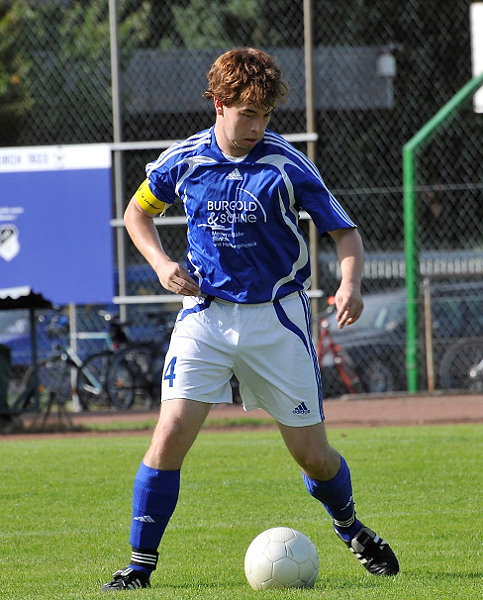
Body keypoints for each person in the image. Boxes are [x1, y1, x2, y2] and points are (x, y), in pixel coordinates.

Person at [101, 47, 399, 591]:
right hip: (205, 317)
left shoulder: (286, 164)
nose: (258, 126)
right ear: (218, 104)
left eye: (265, 115)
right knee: (168, 435)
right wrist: (162, 264)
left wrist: (350, 284)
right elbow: (137, 212)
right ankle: (139, 567)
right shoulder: (184, 160)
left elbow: (345, 233)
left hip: (277, 321)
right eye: (248, 114)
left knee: (312, 456)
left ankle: (350, 527)